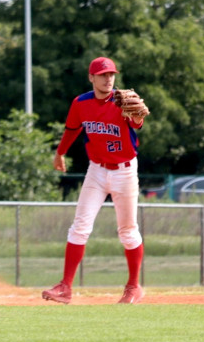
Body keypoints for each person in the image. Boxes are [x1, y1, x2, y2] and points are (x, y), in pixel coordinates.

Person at [43, 56, 146, 305]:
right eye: (102, 75)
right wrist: (59, 153)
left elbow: (137, 122)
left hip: (124, 171)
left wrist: (137, 117)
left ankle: (133, 287)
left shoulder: (123, 100)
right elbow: (72, 130)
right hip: (97, 171)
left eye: (111, 74)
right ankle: (65, 287)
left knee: (128, 231)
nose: (108, 78)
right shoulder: (80, 103)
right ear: (91, 78)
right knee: (79, 226)